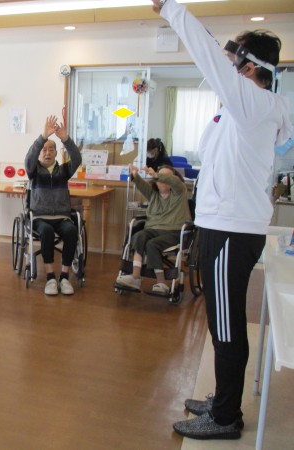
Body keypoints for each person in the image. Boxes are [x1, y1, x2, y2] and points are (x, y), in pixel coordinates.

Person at [152, 0, 293, 440]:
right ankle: (223, 400)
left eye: (234, 60)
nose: (226, 65)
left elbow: (207, 53)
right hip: (222, 225)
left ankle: (226, 417)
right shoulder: (239, 108)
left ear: (249, 68)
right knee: (220, 323)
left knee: (227, 325)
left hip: (232, 229)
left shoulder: (255, 102)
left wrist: (171, 9)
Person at [25, 114, 82, 296]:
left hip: (62, 217)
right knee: (47, 231)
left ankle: (64, 277)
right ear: (40, 153)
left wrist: (65, 139)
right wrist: (43, 136)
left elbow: (77, 159)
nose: (47, 152)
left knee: (72, 231)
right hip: (40, 217)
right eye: (44, 149)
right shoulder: (33, 170)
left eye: (51, 149)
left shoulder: (63, 170)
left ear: (57, 153)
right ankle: (50, 277)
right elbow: (29, 159)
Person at [115, 164, 191, 294]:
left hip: (173, 231)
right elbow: (141, 185)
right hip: (153, 229)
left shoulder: (179, 192)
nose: (162, 180)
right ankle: (135, 277)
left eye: (166, 177)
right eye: (160, 177)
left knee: (152, 244)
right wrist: (135, 175)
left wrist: (157, 175)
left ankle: (161, 283)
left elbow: (176, 182)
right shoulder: (153, 194)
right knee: (139, 236)